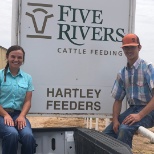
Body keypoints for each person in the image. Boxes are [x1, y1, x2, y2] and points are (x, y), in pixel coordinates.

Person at [103, 33, 154, 148]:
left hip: (149, 110)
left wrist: (139, 116)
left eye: (132, 47)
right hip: (133, 109)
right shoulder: (122, 73)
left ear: (139, 48)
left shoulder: (148, 67)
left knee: (125, 128)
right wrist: (115, 120)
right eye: (126, 47)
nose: (129, 50)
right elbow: (118, 100)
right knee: (106, 135)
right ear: (123, 49)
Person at [0, 45, 36, 154]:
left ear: (23, 60)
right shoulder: (0, 75)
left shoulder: (27, 78)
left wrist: (22, 116)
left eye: (19, 57)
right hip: (1, 114)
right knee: (12, 134)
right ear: (7, 57)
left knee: (28, 136)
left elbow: (28, 101)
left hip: (18, 115)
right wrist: (5, 115)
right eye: (13, 56)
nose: (16, 60)